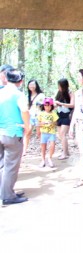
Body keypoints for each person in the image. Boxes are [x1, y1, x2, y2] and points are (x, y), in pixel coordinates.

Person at [0, 68, 29, 205]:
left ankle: (5, 192)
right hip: (13, 133)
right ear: (21, 81)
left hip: (1, 132)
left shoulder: (1, 92)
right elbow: (24, 111)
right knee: (11, 166)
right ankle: (8, 196)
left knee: (2, 165)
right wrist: (27, 125)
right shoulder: (18, 95)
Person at [69, 69, 83, 187]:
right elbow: (76, 110)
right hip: (79, 124)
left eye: (79, 76)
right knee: (82, 152)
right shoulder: (77, 93)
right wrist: (72, 126)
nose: (78, 78)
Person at [23, 79, 45, 156]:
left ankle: (43, 150)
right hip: (30, 116)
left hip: (38, 116)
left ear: (36, 86)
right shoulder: (27, 96)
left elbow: (43, 105)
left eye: (33, 84)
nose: (31, 86)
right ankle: (24, 150)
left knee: (39, 133)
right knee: (27, 133)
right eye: (30, 84)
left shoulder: (41, 95)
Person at [54, 78, 74, 159]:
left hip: (67, 115)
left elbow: (72, 105)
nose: (59, 87)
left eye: (60, 86)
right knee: (60, 135)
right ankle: (66, 151)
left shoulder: (70, 93)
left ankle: (65, 153)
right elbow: (57, 104)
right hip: (59, 115)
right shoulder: (59, 93)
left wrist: (61, 103)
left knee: (63, 134)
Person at [37, 97, 58, 168]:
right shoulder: (41, 114)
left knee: (52, 145)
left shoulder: (53, 114)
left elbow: (56, 123)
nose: (47, 107)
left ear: (51, 106)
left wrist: (51, 123)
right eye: (45, 106)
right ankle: (43, 160)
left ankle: (50, 158)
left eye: (48, 106)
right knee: (43, 147)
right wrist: (42, 124)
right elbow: (38, 124)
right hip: (43, 132)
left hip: (52, 132)